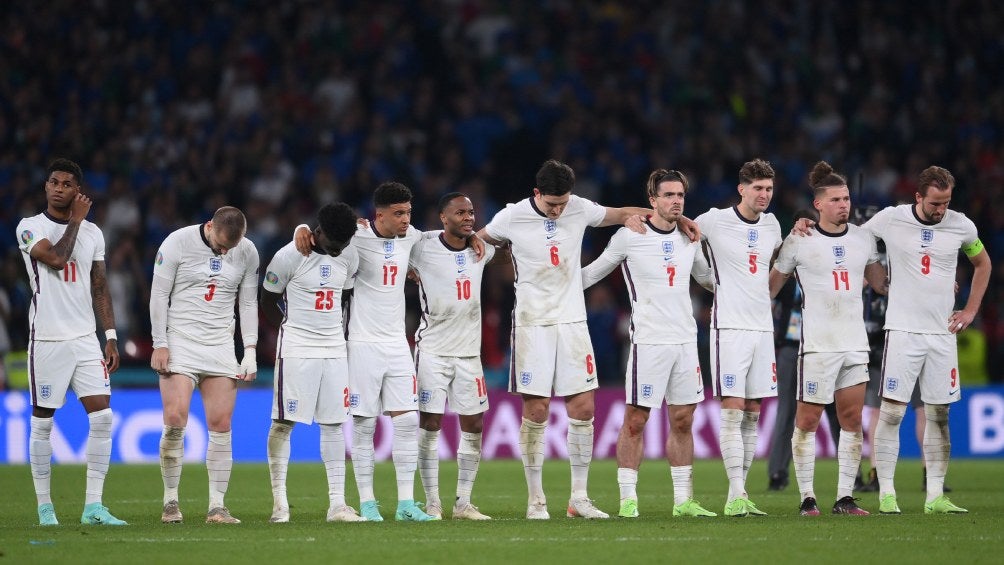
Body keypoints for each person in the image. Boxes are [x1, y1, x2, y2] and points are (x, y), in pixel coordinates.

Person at [475, 159, 695, 520]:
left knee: (583, 409)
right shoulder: (511, 216)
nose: (558, 211)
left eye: (563, 203)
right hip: (533, 324)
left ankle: (579, 498)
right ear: (536, 194)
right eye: (551, 205)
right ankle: (536, 500)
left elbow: (623, 213)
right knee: (537, 410)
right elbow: (475, 241)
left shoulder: (578, 208)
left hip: (574, 322)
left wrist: (679, 219)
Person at [294, 182, 437, 522]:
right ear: (379, 215)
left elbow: (441, 240)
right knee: (364, 425)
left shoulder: (411, 237)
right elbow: (320, 234)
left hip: (398, 343)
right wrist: (300, 228)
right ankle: (369, 503)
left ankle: (406, 505)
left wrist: (473, 238)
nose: (405, 219)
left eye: (408, 212)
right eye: (398, 214)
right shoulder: (356, 236)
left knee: (408, 421)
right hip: (361, 343)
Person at [581, 169, 716, 519]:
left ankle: (683, 501)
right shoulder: (631, 235)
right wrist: (552, 288)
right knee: (635, 421)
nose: (676, 201)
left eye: (680, 195)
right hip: (649, 342)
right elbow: (593, 272)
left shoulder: (689, 237)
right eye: (668, 195)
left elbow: (707, 278)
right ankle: (628, 499)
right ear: (652, 200)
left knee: (683, 419)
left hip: (685, 341)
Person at [864, 166, 991, 514]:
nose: (941, 210)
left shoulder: (961, 225)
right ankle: (887, 493)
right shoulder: (891, 218)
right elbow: (855, 240)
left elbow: (983, 264)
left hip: (941, 335)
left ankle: (935, 496)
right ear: (918, 197)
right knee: (892, 413)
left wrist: (970, 310)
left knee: (939, 415)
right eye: (935, 203)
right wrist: (876, 275)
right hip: (902, 332)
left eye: (946, 202)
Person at [768, 161, 886, 516]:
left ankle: (845, 497)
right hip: (817, 346)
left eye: (846, 198)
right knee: (807, 421)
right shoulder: (799, 240)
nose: (843, 205)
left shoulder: (863, 238)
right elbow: (770, 288)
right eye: (835, 199)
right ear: (818, 204)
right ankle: (807, 498)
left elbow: (880, 284)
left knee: (851, 420)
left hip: (854, 344)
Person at [17, 158, 126, 526]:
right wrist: (76, 221)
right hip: (47, 338)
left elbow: (99, 285)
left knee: (103, 416)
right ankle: (45, 508)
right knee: (43, 422)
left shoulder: (94, 233)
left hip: (84, 339)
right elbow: (56, 259)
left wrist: (110, 336)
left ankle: (93, 507)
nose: (58, 188)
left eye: (66, 184)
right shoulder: (30, 227)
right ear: (46, 186)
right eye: (54, 182)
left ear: (78, 190)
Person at [150, 206, 260, 524]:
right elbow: (159, 295)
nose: (225, 252)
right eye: (221, 246)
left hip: (220, 345)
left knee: (221, 424)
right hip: (181, 341)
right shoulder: (176, 243)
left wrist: (249, 350)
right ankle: (170, 502)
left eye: (230, 248)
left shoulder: (247, 251)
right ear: (209, 226)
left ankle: (217, 507)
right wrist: (159, 342)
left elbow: (248, 302)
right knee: (175, 418)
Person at [260, 202, 365, 523]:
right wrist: (290, 327)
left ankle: (337, 505)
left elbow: (344, 297)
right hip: (297, 348)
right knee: (283, 423)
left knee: (334, 424)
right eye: (335, 243)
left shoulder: (349, 254)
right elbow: (267, 299)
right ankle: (280, 503)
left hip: (334, 348)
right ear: (319, 232)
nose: (339, 250)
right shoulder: (289, 256)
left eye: (344, 244)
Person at [695, 158, 783, 517]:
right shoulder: (714, 220)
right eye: (758, 188)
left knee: (752, 412)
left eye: (769, 188)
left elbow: (780, 262)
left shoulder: (773, 224)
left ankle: (741, 493)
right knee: (732, 410)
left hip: (763, 328)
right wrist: (708, 279)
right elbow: (682, 234)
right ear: (741, 189)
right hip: (729, 328)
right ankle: (735, 495)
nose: (764, 194)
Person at [414, 192, 498, 520]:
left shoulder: (481, 249)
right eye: (460, 213)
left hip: (468, 355)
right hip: (432, 351)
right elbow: (384, 245)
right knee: (430, 423)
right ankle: (432, 502)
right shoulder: (422, 245)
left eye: (471, 212)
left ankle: (463, 503)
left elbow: (507, 247)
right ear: (443, 218)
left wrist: (479, 236)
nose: (468, 218)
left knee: (474, 423)